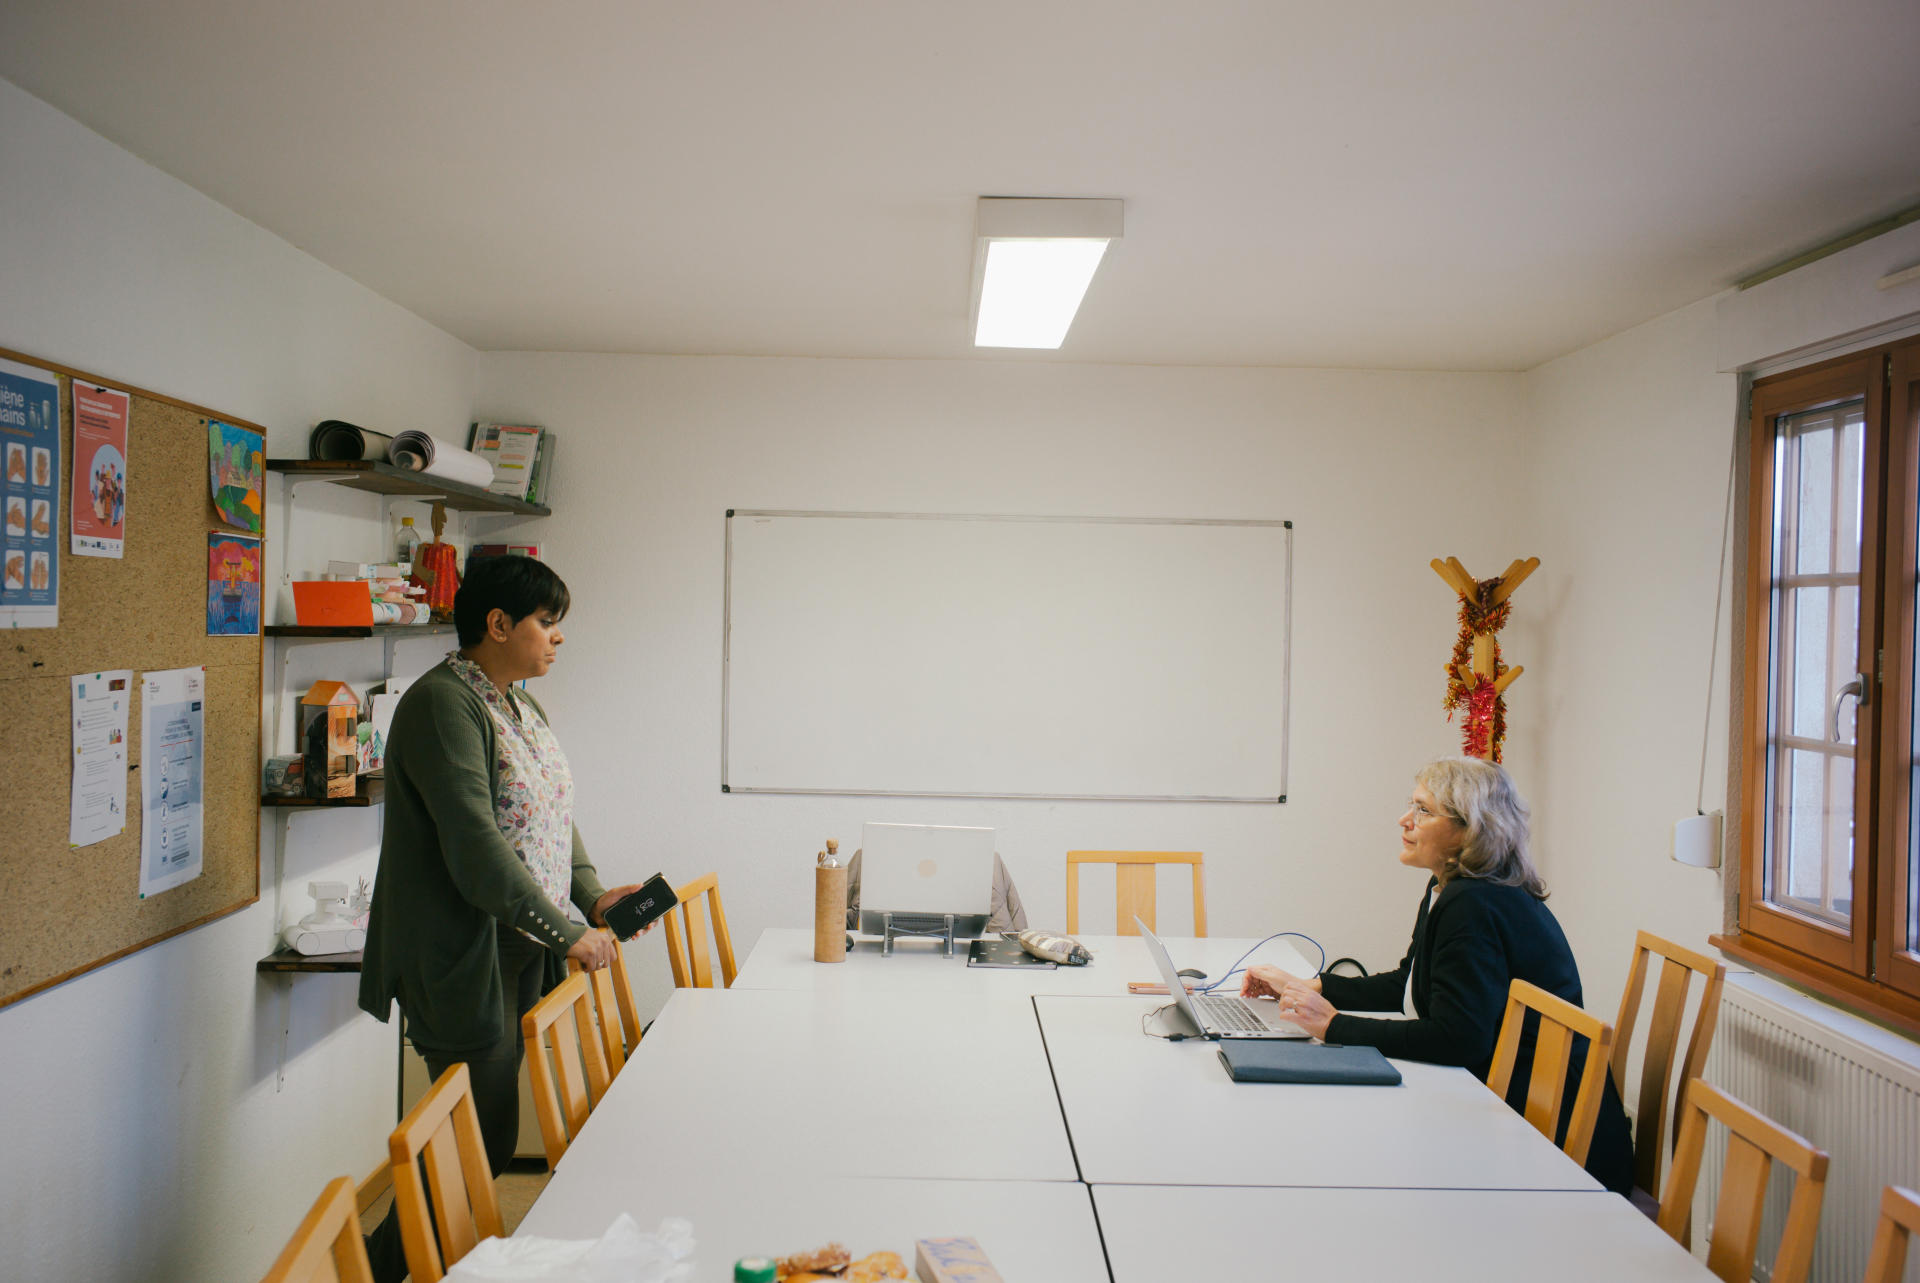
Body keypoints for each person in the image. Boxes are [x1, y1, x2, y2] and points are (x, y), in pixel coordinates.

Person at [358, 555, 651, 1281]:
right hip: (463, 952)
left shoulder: (517, 703)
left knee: (479, 1142)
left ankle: (386, 1267)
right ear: (497, 624)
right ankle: (374, 1271)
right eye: (547, 623)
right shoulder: (441, 706)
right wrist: (569, 931)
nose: (557, 639)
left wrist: (593, 899)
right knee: (471, 1143)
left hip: (521, 946)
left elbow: (553, 816)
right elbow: (475, 846)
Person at [1242, 755, 1633, 1195]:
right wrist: (1313, 986)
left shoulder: (1473, 903)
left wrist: (1333, 1026)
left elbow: (1458, 1039)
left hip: (1550, 1141)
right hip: (1514, 1109)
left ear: (1470, 830)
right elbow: (1409, 982)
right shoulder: (1449, 887)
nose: (1404, 820)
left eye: (1423, 810)